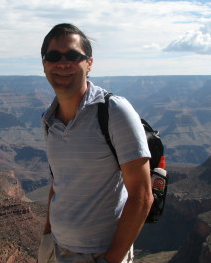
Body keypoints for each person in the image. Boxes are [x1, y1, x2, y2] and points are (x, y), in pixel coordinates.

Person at [38, 23, 153, 263]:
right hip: (55, 251)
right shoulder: (49, 119)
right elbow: (57, 182)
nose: (62, 63)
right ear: (44, 64)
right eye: (53, 56)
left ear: (89, 63)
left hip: (100, 254)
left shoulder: (114, 111)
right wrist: (47, 236)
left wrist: (111, 260)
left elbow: (142, 195)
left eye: (72, 56)